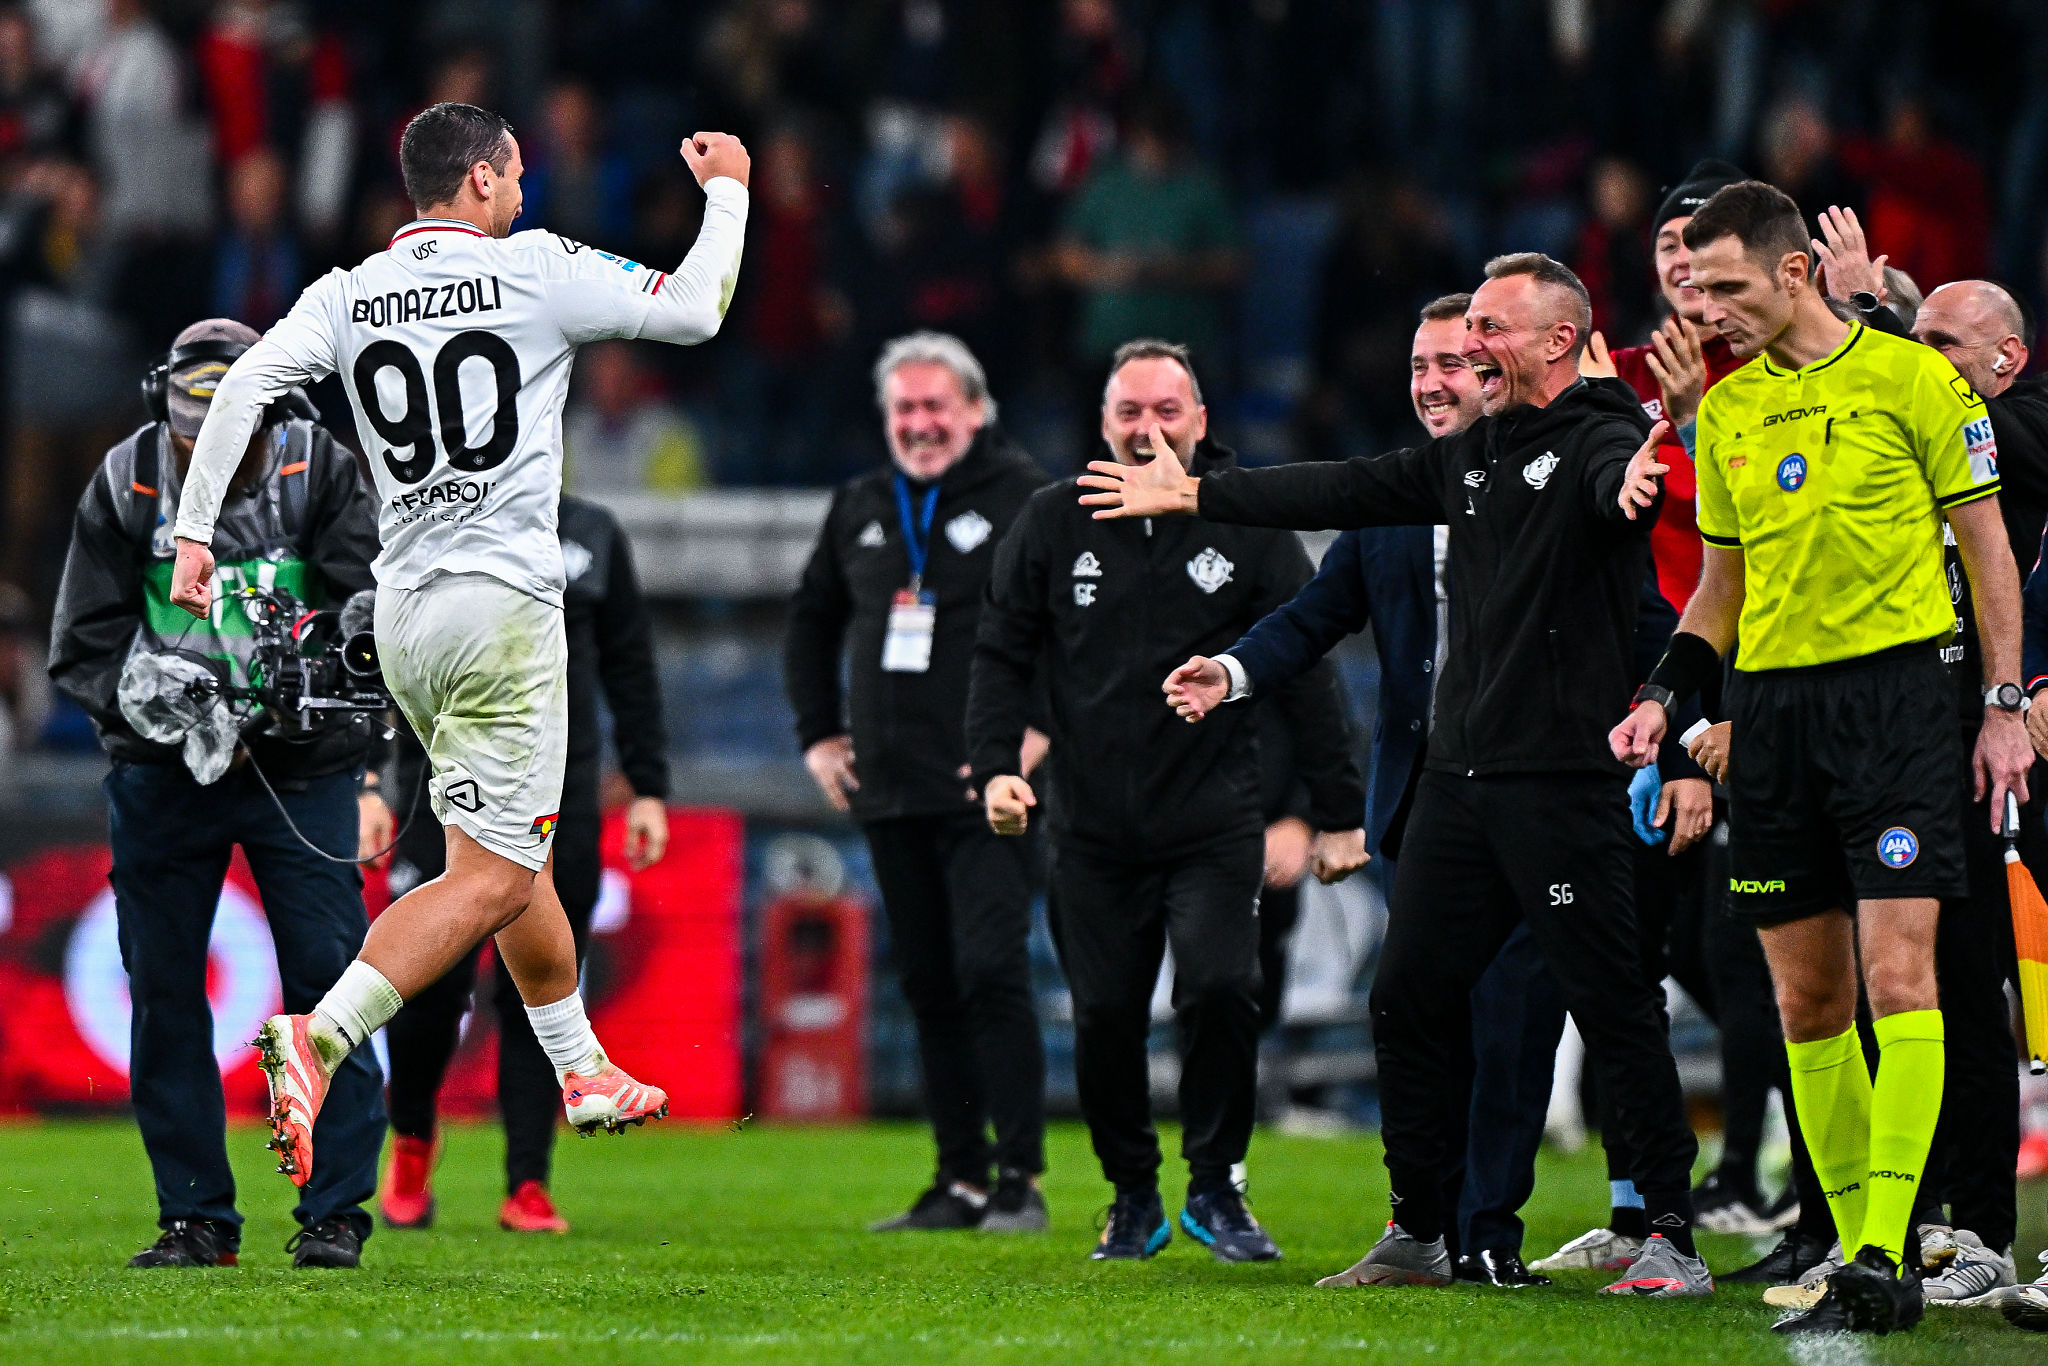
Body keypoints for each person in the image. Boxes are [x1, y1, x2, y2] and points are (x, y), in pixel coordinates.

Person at [1086, 254, 1715, 1298]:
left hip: (1560, 784)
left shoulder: (1602, 437)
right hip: (1456, 788)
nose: (1471, 348)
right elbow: (1340, 484)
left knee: (1610, 1004)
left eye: (1489, 330)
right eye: (1463, 330)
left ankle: (1667, 1234)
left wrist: (1646, 473)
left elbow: (1622, 486)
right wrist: (1196, 489)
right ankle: (1418, 1227)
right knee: (1406, 995)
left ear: (1557, 340)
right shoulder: (1465, 457)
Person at [162, 102, 750, 1192]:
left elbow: (243, 388)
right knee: (488, 876)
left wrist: (194, 531)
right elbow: (700, 307)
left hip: (407, 617)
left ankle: (579, 1069)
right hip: (506, 610)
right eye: (515, 172)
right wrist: (730, 190)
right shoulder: (532, 267)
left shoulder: (349, 294)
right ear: (478, 180)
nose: (524, 190)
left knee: (507, 860)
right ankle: (323, 1037)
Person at [1612, 181, 2029, 1336]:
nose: (1710, 314)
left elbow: (1987, 550)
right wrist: (1664, 695)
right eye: (1696, 293)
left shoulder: (1914, 379)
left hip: (1897, 701)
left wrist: (1997, 703)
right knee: (1804, 996)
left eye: (1728, 289)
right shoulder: (1731, 412)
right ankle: (1846, 1242)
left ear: (1792, 271)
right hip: (1773, 716)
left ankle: (1887, 1247)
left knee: (1901, 978)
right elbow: (1718, 589)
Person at [968, 339, 1366, 1263]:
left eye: (1166, 412)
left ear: (1201, 423)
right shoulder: (1051, 522)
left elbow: (1308, 668)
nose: (1147, 430)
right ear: (1103, 424)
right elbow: (1000, 655)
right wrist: (995, 764)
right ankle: (1132, 1190)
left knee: (1223, 986)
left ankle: (1218, 1183)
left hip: (1215, 820)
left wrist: (1329, 809)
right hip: (1090, 826)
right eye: (1129, 414)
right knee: (1104, 1015)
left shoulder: (1249, 525)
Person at [47, 318, 387, 1268]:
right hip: (165, 776)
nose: (207, 443)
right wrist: (154, 705)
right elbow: (83, 644)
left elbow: (375, 611)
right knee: (162, 990)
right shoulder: (125, 480)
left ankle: (335, 1213)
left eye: (229, 422)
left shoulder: (322, 470)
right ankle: (194, 1216)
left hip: (303, 769)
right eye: (194, 424)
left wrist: (302, 691)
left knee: (333, 989)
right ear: (167, 404)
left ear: (271, 407)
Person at [783, 331, 1054, 1233]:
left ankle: (1021, 1180)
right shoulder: (862, 503)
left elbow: (1068, 621)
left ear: (977, 410)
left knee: (990, 969)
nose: (921, 423)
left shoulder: (1026, 498)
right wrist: (821, 736)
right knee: (931, 983)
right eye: (905, 408)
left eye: (937, 405)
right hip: (891, 787)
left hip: (990, 788)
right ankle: (960, 1180)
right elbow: (809, 623)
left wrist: (1038, 735)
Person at [377, 492, 672, 1235]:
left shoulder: (594, 534)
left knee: (538, 990)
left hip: (558, 795)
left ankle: (529, 1182)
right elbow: (381, 652)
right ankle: (412, 1137)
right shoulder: (428, 518)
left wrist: (648, 789)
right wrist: (372, 780)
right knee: (427, 992)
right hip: (437, 788)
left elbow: (630, 666)